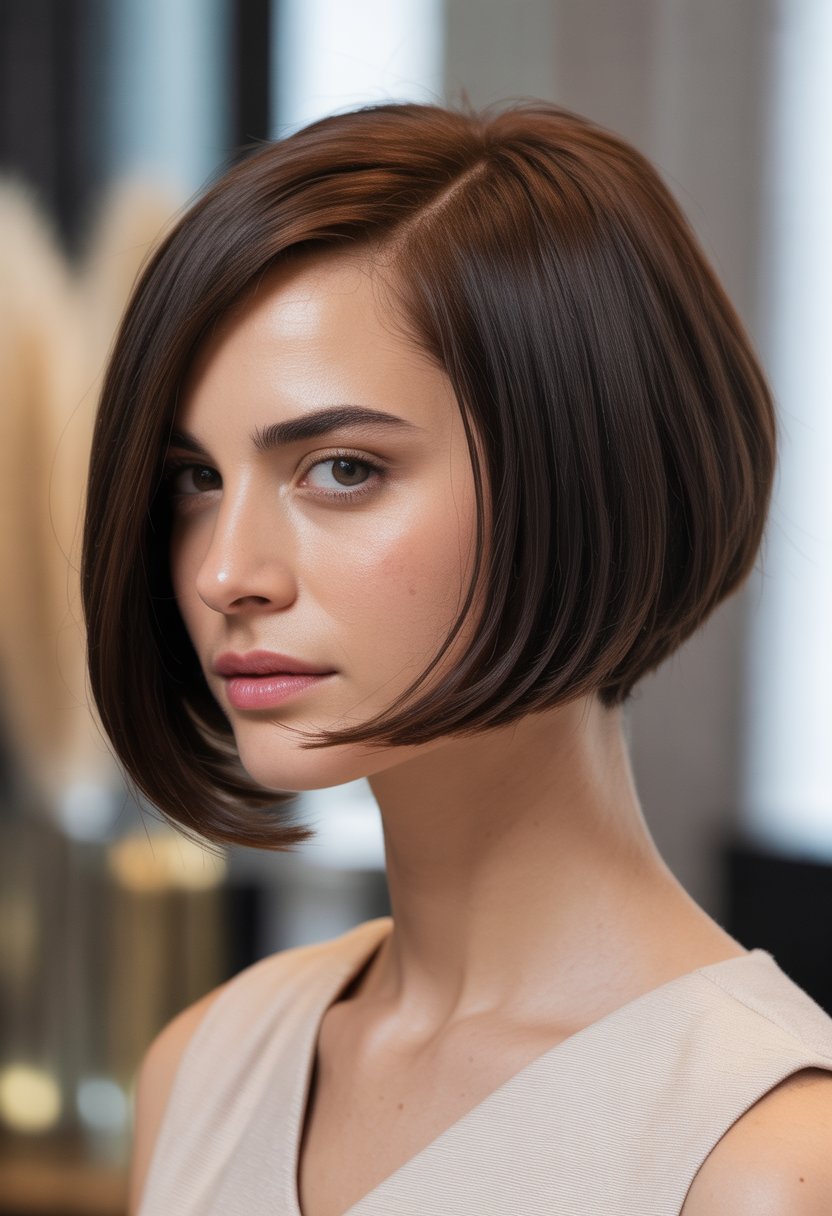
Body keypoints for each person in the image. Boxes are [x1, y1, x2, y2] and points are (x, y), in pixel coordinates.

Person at [81, 101, 832, 1216]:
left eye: (340, 469)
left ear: (586, 481)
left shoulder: (760, 1155)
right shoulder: (206, 1063)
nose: (225, 570)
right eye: (196, 479)